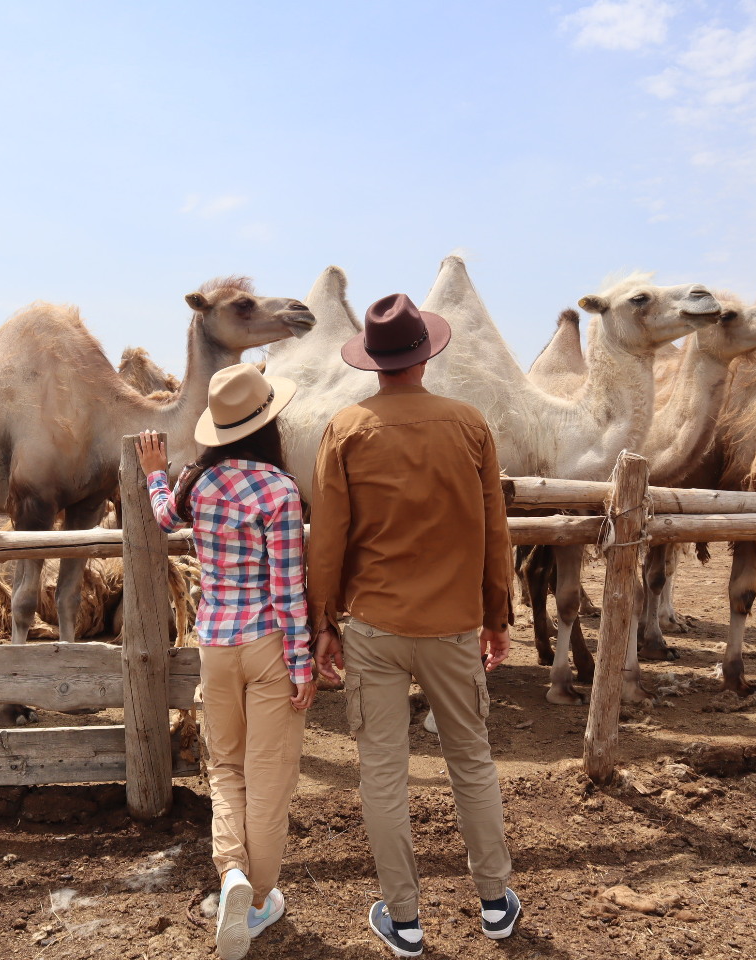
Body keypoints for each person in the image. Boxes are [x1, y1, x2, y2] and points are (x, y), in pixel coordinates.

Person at [306, 293, 520, 957]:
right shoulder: (470, 425)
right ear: (424, 356)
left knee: (382, 774)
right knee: (472, 762)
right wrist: (496, 615)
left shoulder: (345, 428)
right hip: (454, 628)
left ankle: (404, 921)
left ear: (374, 364)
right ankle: (494, 903)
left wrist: (324, 622)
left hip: (373, 627)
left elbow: (330, 540)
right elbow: (494, 531)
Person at [137, 362, 315, 960]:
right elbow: (289, 589)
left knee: (226, 767)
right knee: (270, 776)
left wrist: (154, 475)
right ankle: (260, 898)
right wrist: (303, 664)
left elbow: (165, 517)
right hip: (267, 643)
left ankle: (230, 873)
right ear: (268, 423)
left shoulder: (199, 484)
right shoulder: (280, 492)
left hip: (215, 643)